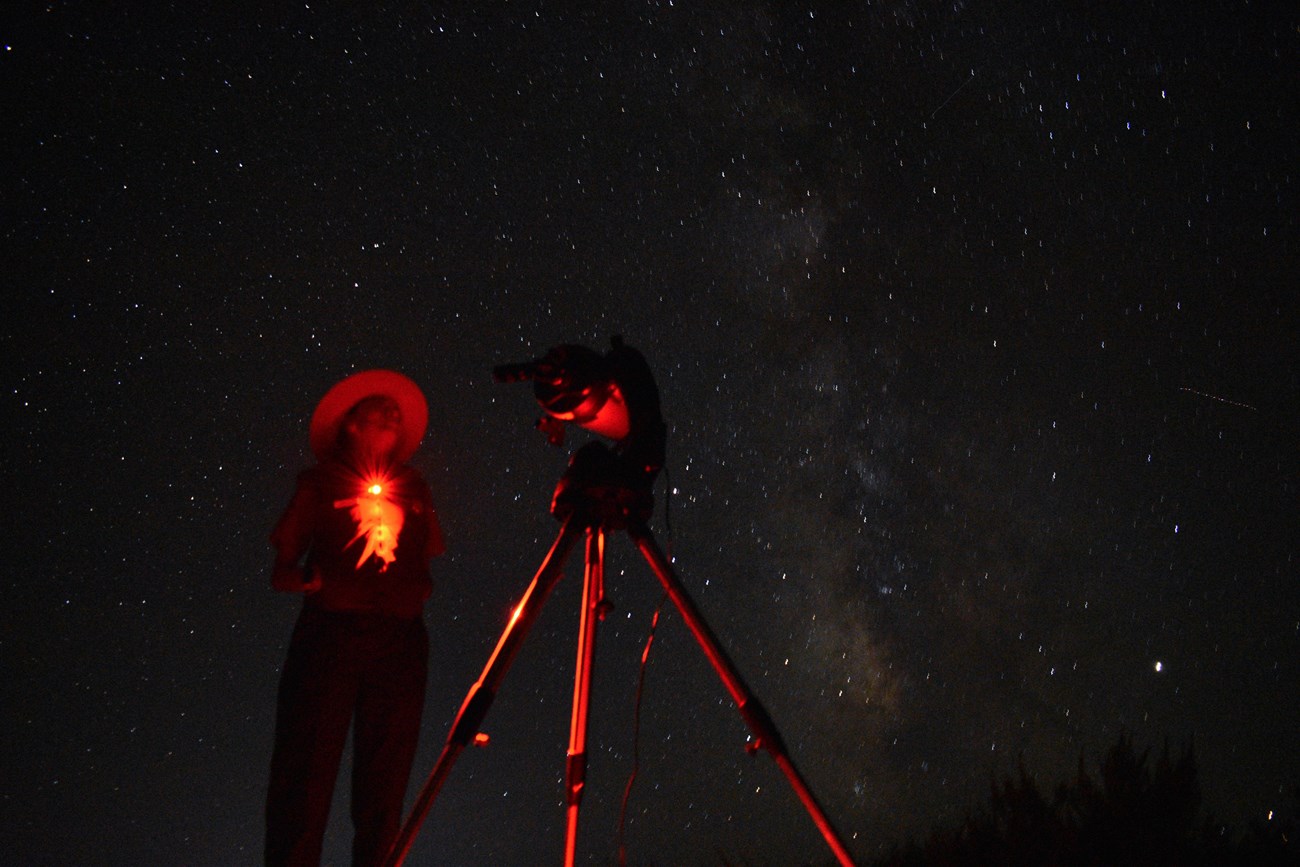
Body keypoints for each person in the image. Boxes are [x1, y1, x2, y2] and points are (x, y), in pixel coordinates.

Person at [265, 370, 445, 867]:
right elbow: (282, 567)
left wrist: (414, 591)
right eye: (379, 406)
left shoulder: (413, 487)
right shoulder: (319, 484)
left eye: (395, 409)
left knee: (385, 785)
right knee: (305, 774)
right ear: (349, 423)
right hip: (329, 638)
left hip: (400, 644)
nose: (392, 413)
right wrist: (306, 581)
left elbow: (424, 561)